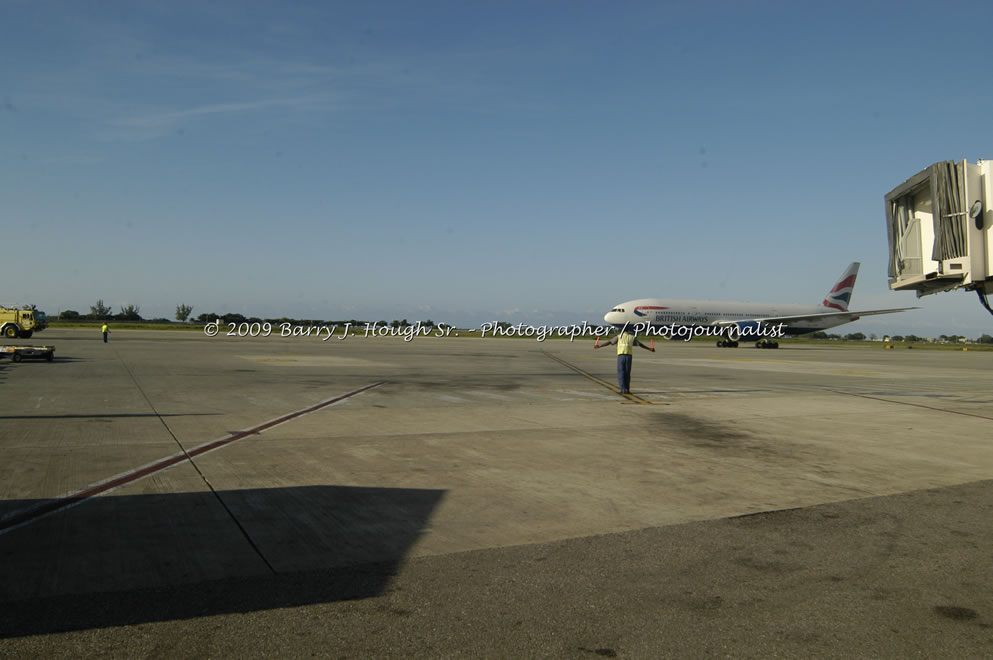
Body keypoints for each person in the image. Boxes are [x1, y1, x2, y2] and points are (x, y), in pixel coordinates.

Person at [595, 327, 654, 394]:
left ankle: (623, 389)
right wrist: (649, 349)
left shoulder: (619, 336)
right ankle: (627, 390)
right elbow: (640, 344)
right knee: (627, 373)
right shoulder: (632, 337)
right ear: (628, 331)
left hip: (621, 356)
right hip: (629, 356)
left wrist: (599, 346)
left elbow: (609, 342)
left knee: (621, 373)